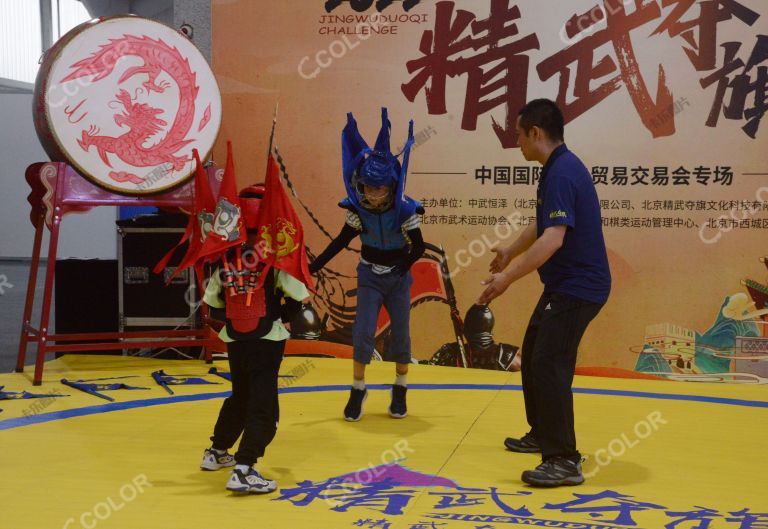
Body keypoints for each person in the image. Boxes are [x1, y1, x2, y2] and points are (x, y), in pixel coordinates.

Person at [477, 99, 611, 487]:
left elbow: (553, 239)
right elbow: (542, 223)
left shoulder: (563, 172)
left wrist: (507, 280)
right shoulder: (555, 169)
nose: (516, 142)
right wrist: (509, 251)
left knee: (549, 363)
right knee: (535, 351)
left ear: (535, 133)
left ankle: (564, 459)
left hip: (579, 287)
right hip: (564, 284)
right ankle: (542, 433)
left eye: (518, 135)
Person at [309, 108, 425, 421]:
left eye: (380, 188)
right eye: (369, 187)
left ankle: (400, 387)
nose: (374, 194)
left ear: (392, 186)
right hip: (370, 276)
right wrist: (312, 267)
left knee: (401, 335)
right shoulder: (357, 211)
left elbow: (420, 246)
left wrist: (403, 266)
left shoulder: (404, 211)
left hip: (399, 279)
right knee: (362, 333)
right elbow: (339, 242)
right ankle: (358, 389)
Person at [200, 184, 310, 494]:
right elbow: (298, 293)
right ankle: (245, 468)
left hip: (235, 338)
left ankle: (217, 451)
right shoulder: (275, 255)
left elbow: (214, 300)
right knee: (264, 405)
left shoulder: (226, 255)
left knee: (241, 395)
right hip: (267, 338)